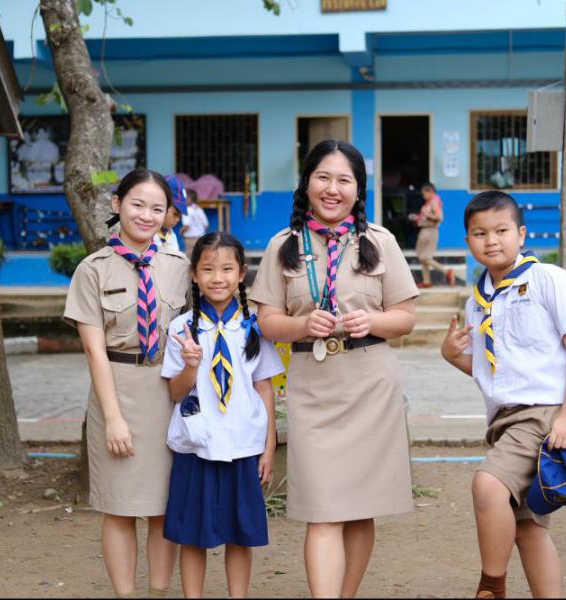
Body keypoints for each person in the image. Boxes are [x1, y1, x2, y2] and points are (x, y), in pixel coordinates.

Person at [250, 139, 419, 597]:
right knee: (322, 511)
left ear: (358, 189)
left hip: (371, 385)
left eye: (344, 180)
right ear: (306, 183)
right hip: (313, 387)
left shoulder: (379, 242)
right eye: (323, 177)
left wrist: (373, 320)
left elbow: (406, 317)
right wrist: (302, 324)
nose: (332, 188)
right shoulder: (282, 246)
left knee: (361, 510)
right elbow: (267, 321)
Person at [440, 190, 566, 598]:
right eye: (480, 233)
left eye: (501, 230)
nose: (491, 241)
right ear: (468, 241)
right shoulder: (477, 302)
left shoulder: (548, 280)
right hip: (505, 420)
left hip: (543, 414)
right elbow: (493, 371)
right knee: (528, 527)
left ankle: (492, 586)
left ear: (521, 234)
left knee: (488, 485)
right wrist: (452, 355)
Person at [63, 168, 190, 597]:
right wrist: (113, 417)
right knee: (118, 508)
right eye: (137, 204)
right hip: (116, 390)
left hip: (167, 393)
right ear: (117, 205)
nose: (146, 215)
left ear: (167, 215)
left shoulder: (179, 268)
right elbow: (94, 351)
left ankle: (158, 592)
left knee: (163, 507)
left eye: (157, 208)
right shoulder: (92, 270)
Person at [162, 232, 284, 598]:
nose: (218, 278)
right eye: (208, 269)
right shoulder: (181, 329)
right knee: (192, 534)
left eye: (227, 269)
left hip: (244, 444)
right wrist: (190, 365)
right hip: (197, 445)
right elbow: (176, 392)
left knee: (240, 533)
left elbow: (265, 388)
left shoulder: (255, 327)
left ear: (242, 274)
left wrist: (269, 446)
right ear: (194, 275)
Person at [408, 182, 453, 287]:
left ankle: (447, 272)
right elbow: (424, 217)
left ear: (431, 192)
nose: (423, 196)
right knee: (421, 257)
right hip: (424, 230)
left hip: (430, 230)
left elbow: (440, 217)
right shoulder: (428, 203)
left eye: (425, 193)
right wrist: (417, 217)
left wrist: (427, 214)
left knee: (425, 257)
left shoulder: (434, 202)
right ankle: (426, 281)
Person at [181, 189, 209, 258]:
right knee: (199, 255)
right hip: (201, 236)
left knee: (190, 256)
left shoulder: (187, 210)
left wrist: (181, 232)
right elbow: (206, 224)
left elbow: (186, 225)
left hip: (191, 238)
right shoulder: (199, 209)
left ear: (189, 199)